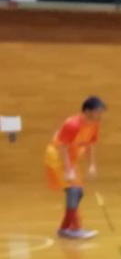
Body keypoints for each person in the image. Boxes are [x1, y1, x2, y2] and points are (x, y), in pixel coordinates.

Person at [45, 96, 106, 239]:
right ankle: (75, 229)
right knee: (73, 190)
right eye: (97, 111)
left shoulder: (94, 124)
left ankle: (65, 228)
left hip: (70, 160)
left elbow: (90, 144)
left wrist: (91, 165)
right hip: (56, 158)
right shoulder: (72, 124)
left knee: (79, 193)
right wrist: (68, 170)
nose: (100, 114)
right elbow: (63, 147)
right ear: (87, 111)